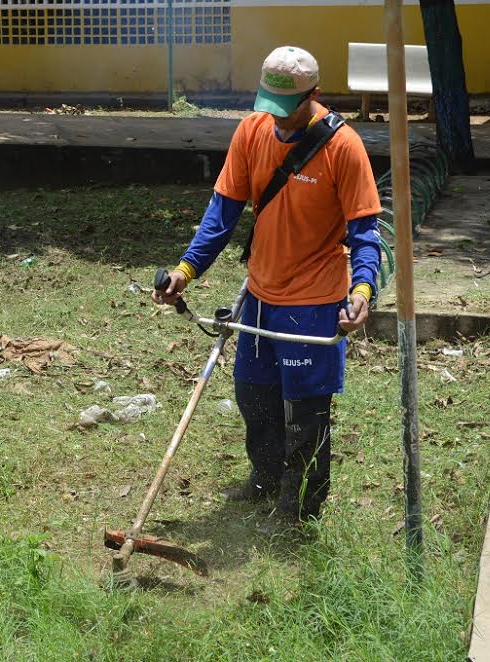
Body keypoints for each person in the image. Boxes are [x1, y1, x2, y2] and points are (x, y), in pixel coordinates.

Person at [152, 46, 382, 526]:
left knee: (305, 411)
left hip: (315, 302)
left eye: (287, 108)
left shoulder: (344, 148)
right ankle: (266, 478)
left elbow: (364, 233)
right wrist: (184, 271)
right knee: (253, 396)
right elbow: (221, 214)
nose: (276, 118)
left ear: (314, 95)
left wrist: (361, 292)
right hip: (259, 294)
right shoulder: (251, 131)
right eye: (269, 105)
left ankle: (300, 507)